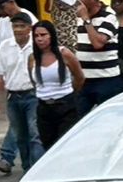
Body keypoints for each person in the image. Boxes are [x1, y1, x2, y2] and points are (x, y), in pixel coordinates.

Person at [0, 10, 41, 172]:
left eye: (21, 26)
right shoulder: (5, 47)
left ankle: (37, 167)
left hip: (33, 96)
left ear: (29, 28)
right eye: (15, 26)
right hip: (13, 97)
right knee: (20, 136)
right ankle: (27, 167)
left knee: (34, 134)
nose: (18, 29)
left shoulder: (37, 46)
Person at [30, 19, 85, 148]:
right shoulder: (32, 58)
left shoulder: (64, 54)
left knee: (64, 145)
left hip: (65, 106)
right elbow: (34, 82)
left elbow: (79, 77)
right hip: (44, 108)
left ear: (51, 35)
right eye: (36, 36)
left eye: (43, 35)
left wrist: (70, 93)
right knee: (48, 146)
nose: (39, 39)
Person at [73, 0, 123, 111]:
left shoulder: (109, 18)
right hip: (84, 80)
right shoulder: (78, 19)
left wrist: (86, 20)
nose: (78, 2)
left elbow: (98, 43)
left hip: (106, 79)